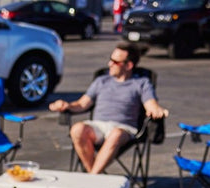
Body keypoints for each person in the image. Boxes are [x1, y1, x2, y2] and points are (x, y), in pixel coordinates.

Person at [48, 42, 168, 175]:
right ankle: (95, 175)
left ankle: (92, 177)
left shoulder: (141, 83)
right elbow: (82, 104)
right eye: (110, 60)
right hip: (98, 127)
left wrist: (156, 110)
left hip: (124, 129)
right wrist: (67, 105)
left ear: (128, 65)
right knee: (77, 129)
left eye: (115, 62)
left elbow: (150, 104)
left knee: (115, 134)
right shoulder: (101, 81)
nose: (109, 64)